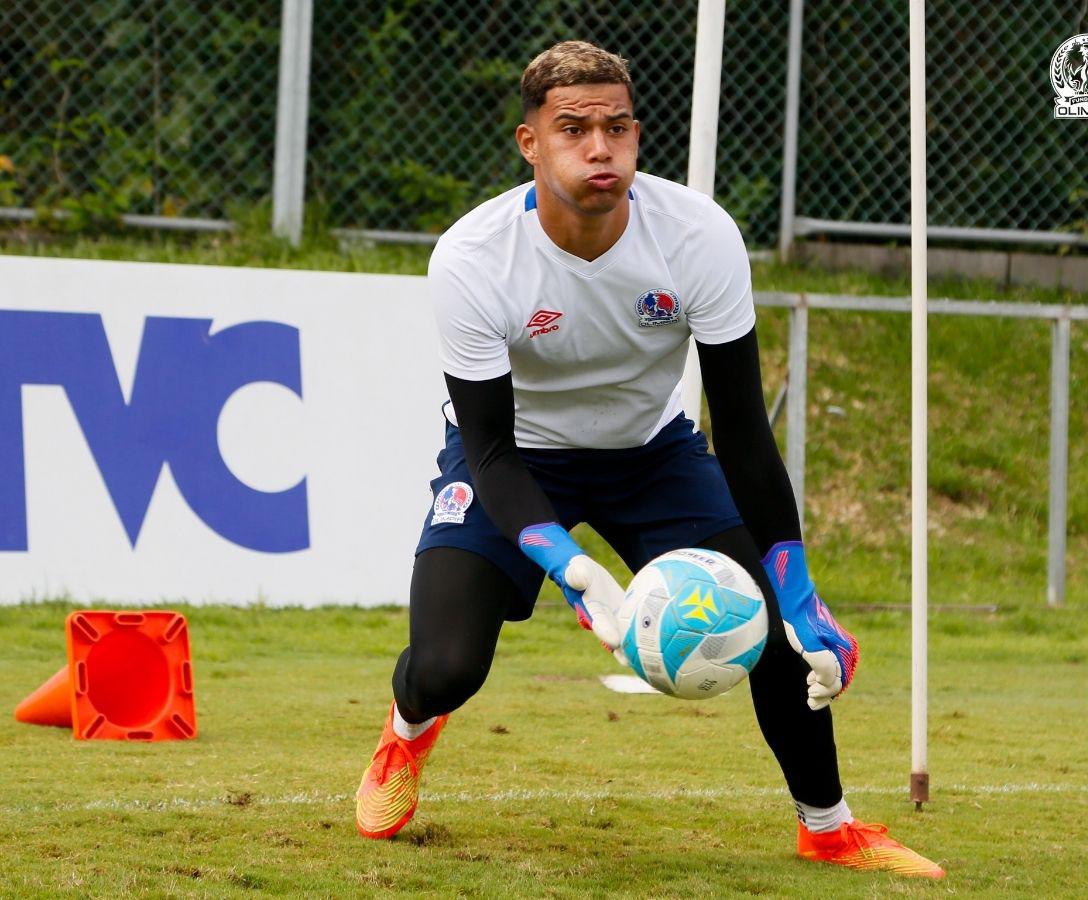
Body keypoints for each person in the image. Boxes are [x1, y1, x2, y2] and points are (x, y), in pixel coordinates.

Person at [354, 40, 944, 879]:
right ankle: (406, 734)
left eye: (617, 127)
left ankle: (829, 826)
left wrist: (800, 591)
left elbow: (741, 427)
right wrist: (569, 564)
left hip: (652, 453)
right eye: (573, 130)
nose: (600, 148)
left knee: (779, 632)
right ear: (531, 145)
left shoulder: (697, 236)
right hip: (517, 459)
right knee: (448, 665)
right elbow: (485, 444)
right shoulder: (473, 257)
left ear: (636, 135)